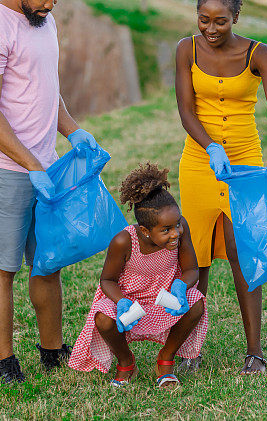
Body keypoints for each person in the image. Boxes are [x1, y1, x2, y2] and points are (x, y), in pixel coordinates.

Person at [0, 0, 99, 384]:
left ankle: (51, 351)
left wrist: (74, 131)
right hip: (4, 167)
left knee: (48, 262)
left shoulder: (43, 21)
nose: (50, 6)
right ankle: (5, 363)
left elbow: (44, 90)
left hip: (45, 164)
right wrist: (31, 164)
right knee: (3, 266)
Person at [175, 0, 267, 375]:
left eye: (221, 21)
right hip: (199, 162)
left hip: (245, 163)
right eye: (203, 19)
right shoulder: (185, 49)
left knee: (243, 253)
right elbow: (186, 110)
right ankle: (190, 349)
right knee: (196, 255)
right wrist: (210, 146)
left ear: (236, 16)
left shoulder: (260, 54)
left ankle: (254, 352)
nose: (210, 29)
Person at [68, 163, 208, 388]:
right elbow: (107, 280)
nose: (176, 233)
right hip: (130, 302)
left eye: (176, 225)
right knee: (103, 319)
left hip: (164, 299)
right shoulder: (124, 241)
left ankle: (166, 359)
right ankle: (126, 361)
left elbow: (192, 269)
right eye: (166, 230)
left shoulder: (181, 228)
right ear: (145, 231)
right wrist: (122, 302)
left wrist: (181, 287)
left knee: (196, 304)